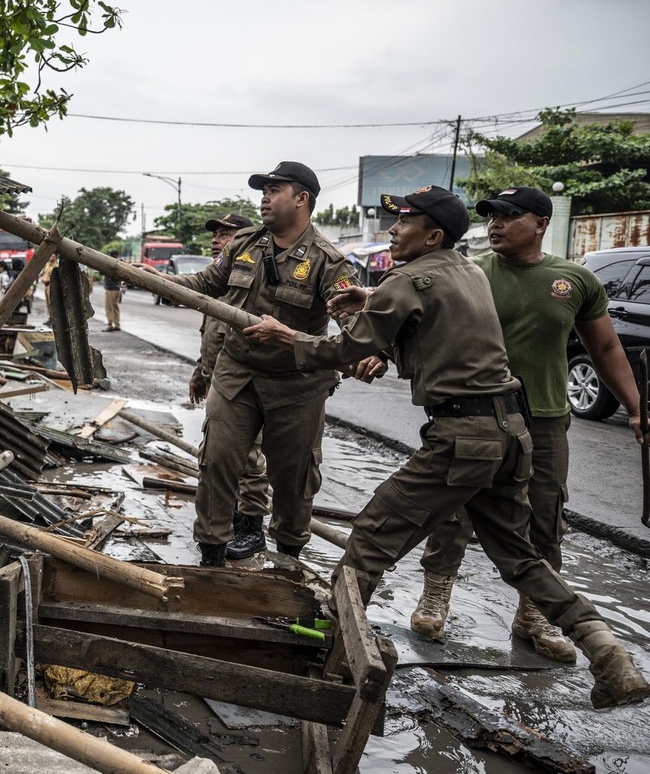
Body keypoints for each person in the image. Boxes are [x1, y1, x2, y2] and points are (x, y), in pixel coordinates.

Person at [243, 184, 650, 711]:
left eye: (403, 222)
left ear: (433, 235)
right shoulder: (468, 271)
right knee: (521, 558)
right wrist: (371, 302)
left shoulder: (410, 278)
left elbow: (346, 347)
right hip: (512, 432)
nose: (393, 230)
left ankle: (326, 648)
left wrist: (286, 335)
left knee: (372, 536)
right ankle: (610, 656)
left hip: (463, 435)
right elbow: (430, 326)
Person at [411, 186, 645, 663]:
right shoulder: (470, 272)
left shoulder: (575, 279)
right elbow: (417, 317)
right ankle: (435, 595)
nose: (495, 223)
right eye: (491, 215)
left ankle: (534, 613)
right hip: (474, 414)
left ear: (541, 223)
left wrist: (636, 407)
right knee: (456, 507)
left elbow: (604, 348)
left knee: (545, 515)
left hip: (544, 418)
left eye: (510, 214)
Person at [142, 161, 365, 567]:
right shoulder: (245, 243)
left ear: (302, 199)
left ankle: (288, 559)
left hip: (297, 385)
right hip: (237, 374)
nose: (264, 198)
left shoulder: (328, 261)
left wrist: (368, 352)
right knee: (217, 461)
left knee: (294, 479)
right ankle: (211, 556)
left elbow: (353, 322)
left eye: (274, 190)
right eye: (263, 190)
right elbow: (206, 283)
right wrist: (157, 281)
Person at [188, 212, 271, 560]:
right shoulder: (218, 283)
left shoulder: (251, 285)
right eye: (216, 234)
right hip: (218, 382)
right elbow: (210, 337)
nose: (216, 240)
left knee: (250, 457)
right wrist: (200, 374)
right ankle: (232, 521)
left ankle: (252, 528)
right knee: (218, 458)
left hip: (244, 387)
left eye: (225, 234)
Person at [103, 250, 122, 332]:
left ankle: (110, 324)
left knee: (109, 307)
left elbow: (101, 272)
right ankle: (117, 324)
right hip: (117, 289)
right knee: (115, 307)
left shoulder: (109, 264)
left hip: (110, 289)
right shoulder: (120, 264)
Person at [39, 253, 58, 325]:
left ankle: (54, 319)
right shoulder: (47, 265)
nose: (52, 257)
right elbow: (44, 274)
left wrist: (48, 280)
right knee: (48, 303)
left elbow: (56, 277)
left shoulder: (56, 266)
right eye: (50, 256)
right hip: (46, 286)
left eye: (53, 256)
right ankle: (50, 318)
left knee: (52, 303)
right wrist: (42, 278)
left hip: (52, 286)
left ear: (55, 258)